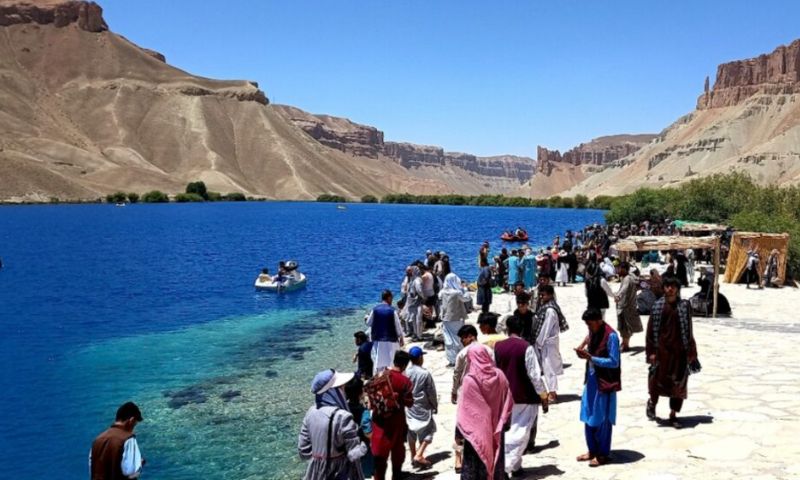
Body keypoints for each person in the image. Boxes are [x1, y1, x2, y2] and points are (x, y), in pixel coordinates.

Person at [494, 316, 549, 476]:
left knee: (509, 431)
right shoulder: (526, 347)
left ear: (508, 329)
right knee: (520, 433)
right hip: (524, 396)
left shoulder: (498, 347)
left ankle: (516, 466)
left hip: (504, 397)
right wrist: (543, 394)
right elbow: (535, 375)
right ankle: (506, 467)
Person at [646, 276, 698, 428]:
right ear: (663, 288)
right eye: (667, 286)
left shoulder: (684, 306)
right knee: (656, 381)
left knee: (678, 384)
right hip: (661, 352)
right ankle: (652, 403)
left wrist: (691, 349)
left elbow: (689, 329)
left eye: (673, 286)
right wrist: (651, 352)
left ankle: (673, 414)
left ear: (677, 289)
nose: (670, 289)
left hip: (679, 352)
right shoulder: (657, 307)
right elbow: (650, 332)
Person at [457, 341, 514, 480]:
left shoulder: (469, 380)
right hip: (496, 429)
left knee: (474, 467)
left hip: (475, 435)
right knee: (496, 461)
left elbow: (464, 411)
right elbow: (508, 402)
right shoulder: (500, 375)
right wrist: (505, 423)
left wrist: (458, 433)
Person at [299, 370, 367, 480]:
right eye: (341, 388)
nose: (344, 391)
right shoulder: (343, 416)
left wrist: (321, 456)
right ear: (332, 392)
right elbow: (354, 455)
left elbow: (304, 451)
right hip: (340, 472)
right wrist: (364, 446)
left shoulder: (310, 413)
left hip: (315, 473)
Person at [575, 307, 621, 467]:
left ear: (599, 321)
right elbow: (589, 338)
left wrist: (592, 358)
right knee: (588, 415)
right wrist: (582, 347)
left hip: (605, 382)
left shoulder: (612, 336)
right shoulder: (594, 331)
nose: (589, 327)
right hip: (592, 380)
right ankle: (592, 450)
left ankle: (602, 454)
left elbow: (614, 362)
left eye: (590, 324)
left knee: (602, 419)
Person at [451, 325, 494, 473]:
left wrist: (454, 391)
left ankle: (458, 458)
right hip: (484, 393)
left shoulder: (462, 353)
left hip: (466, 394)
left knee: (461, 426)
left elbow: (457, 374)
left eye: (463, 338)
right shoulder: (488, 350)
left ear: (470, 336)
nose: (462, 342)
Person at [371, 351, 414, 480]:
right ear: (405, 365)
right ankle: (396, 475)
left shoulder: (380, 375)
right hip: (396, 422)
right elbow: (409, 403)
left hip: (379, 421)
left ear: (394, 361)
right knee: (397, 452)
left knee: (380, 456)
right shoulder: (405, 381)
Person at [89, 401, 145, 480]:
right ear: (131, 420)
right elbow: (131, 471)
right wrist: (139, 464)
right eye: (134, 425)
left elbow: (92, 470)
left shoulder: (97, 440)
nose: (133, 429)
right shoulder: (128, 439)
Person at [530, 285, 567, 399]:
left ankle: (552, 393)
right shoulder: (545, 306)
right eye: (540, 295)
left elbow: (546, 328)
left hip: (547, 342)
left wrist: (539, 342)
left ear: (550, 295)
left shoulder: (550, 310)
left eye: (543, 295)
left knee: (549, 368)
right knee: (544, 367)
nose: (541, 297)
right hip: (546, 342)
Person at [405, 347, 438, 468]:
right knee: (429, 430)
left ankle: (413, 455)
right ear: (420, 358)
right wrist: (434, 405)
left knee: (412, 431)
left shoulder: (406, 372)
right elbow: (431, 392)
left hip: (410, 406)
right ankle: (419, 454)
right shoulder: (425, 374)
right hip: (423, 406)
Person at [365, 290, 405, 375]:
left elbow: (368, 323)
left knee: (378, 361)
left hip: (378, 340)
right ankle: (393, 377)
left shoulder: (375, 310)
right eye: (392, 298)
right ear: (389, 298)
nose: (392, 300)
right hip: (391, 339)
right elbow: (398, 325)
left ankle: (378, 378)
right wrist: (401, 337)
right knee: (392, 360)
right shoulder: (392, 310)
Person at [439, 272, 469, 366]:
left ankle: (452, 359)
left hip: (446, 318)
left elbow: (440, 297)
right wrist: (465, 289)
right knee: (459, 338)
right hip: (457, 318)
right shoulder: (457, 292)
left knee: (449, 339)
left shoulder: (442, 292)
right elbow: (466, 299)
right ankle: (461, 357)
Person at [614, 262, 643, 352]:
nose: (618, 270)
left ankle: (625, 345)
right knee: (625, 327)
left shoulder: (627, 279)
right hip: (628, 306)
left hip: (625, 307)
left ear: (625, 269)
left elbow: (624, 289)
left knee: (625, 327)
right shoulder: (629, 278)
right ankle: (624, 343)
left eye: (620, 269)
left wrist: (618, 295)